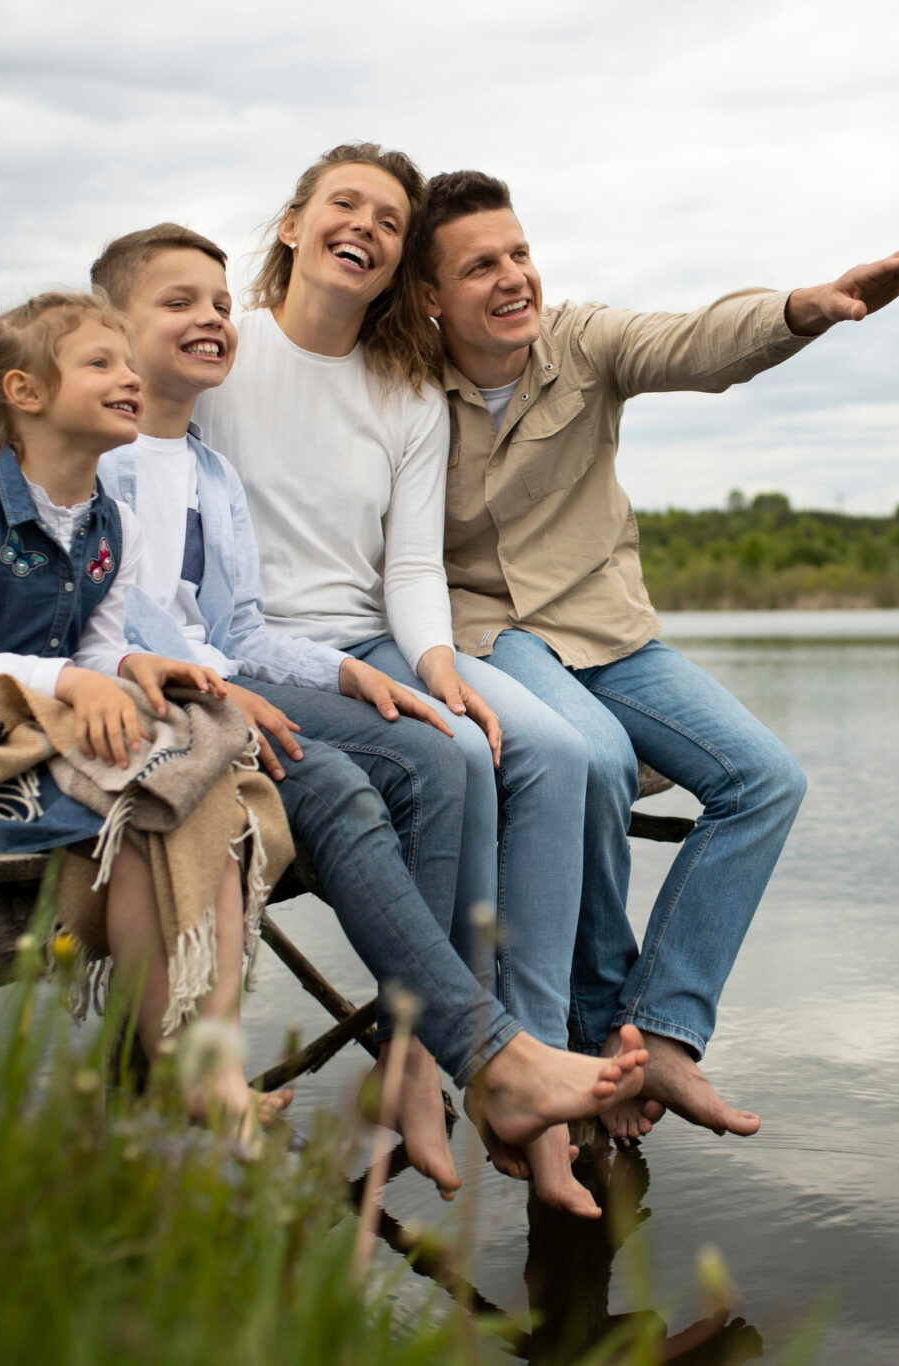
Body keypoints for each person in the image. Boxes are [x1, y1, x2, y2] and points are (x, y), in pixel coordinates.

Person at [0, 223, 649, 1202]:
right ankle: (492, 1056)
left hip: (209, 689)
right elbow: (80, 625)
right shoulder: (71, 461)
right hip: (116, 710)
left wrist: (347, 672)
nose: (213, 320)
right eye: (181, 303)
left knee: (442, 748)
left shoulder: (211, 474)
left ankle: (424, 1055)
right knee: (339, 787)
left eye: (223, 306)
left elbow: (235, 625)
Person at [415, 169, 899, 1142]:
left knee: (764, 779)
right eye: (480, 265)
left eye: (519, 252)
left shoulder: (578, 343)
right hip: (489, 635)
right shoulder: (402, 387)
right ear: (429, 295)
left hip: (606, 632)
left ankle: (658, 1027)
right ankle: (587, 1035)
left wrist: (802, 309)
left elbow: (697, 342)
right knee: (594, 762)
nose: (512, 278)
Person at [190, 143, 607, 1215]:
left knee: (478, 736)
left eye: (388, 220)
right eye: (345, 205)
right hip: (238, 653)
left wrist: (434, 666)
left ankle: (448, 1056)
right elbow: (92, 399)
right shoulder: (216, 352)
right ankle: (435, 1060)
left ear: (395, 266)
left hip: (367, 642)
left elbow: (411, 567)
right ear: (292, 225)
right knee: (440, 755)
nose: (366, 227)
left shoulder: (405, 389)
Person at [0, 288, 285, 1140]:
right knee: (144, 800)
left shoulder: (116, 521)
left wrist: (135, 664)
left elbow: (101, 642)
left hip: (59, 724)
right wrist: (75, 681)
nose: (127, 377)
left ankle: (205, 1057)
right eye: (101, 363)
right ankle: (181, 1061)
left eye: (127, 365)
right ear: (26, 394)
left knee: (192, 794)